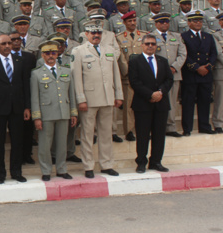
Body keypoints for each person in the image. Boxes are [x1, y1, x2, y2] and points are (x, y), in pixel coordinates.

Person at [71, 20, 124, 178]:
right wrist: (81, 99)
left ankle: (106, 164)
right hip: (89, 99)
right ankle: (88, 166)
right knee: (87, 135)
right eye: (92, 33)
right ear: (86, 34)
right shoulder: (78, 51)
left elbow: (116, 74)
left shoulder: (109, 50)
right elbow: (77, 78)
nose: (96, 35)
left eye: (99, 33)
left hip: (108, 98)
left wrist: (118, 95)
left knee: (106, 134)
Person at [0, 34, 31, 184]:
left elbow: (25, 86)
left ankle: (16, 172)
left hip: (17, 108)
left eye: (10, 43)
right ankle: (0, 174)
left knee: (17, 141)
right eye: (4, 43)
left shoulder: (20, 61)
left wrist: (27, 107)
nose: (8, 46)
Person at [31, 40, 77, 181]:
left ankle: (61, 169)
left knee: (62, 144)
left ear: (58, 54)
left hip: (63, 112)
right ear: (43, 56)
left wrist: (73, 112)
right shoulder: (36, 74)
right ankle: (46, 170)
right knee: (45, 144)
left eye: (53, 53)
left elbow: (71, 94)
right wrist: (37, 117)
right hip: (46, 114)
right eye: (47, 53)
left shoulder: (66, 71)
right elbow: (35, 97)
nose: (51, 56)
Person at [128, 34, 174, 173]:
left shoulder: (162, 61)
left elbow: (169, 80)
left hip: (161, 103)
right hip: (143, 103)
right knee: (142, 135)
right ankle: (141, 162)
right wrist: (150, 94)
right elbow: (134, 81)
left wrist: (160, 92)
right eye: (147, 43)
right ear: (142, 45)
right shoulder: (135, 61)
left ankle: (156, 161)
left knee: (159, 134)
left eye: (153, 44)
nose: (150, 46)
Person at [181, 10, 217, 135]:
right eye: (195, 21)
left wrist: (208, 66)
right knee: (188, 102)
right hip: (191, 74)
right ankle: (187, 128)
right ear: (189, 22)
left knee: (205, 101)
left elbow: (213, 53)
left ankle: (204, 126)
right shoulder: (183, 36)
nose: (198, 23)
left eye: (200, 21)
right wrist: (196, 67)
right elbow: (184, 54)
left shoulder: (208, 36)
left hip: (206, 73)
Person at [151, 12, 187, 137]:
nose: (164, 24)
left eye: (166, 22)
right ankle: (157, 128)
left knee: (172, 101)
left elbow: (182, 54)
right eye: (161, 22)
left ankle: (171, 127)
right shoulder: (150, 36)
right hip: (157, 76)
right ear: (156, 24)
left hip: (174, 74)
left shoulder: (176, 36)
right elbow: (150, 55)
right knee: (157, 101)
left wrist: (174, 67)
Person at [116, 11, 149, 142]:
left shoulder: (145, 36)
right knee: (129, 105)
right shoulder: (119, 37)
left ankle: (144, 129)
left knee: (144, 105)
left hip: (143, 77)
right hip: (128, 76)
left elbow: (147, 54)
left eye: (134, 20)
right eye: (129, 21)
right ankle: (129, 131)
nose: (132, 23)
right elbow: (121, 58)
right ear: (124, 23)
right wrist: (129, 72)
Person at [9, 30, 37, 165]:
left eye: (18, 39)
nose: (15, 42)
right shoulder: (5, 57)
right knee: (16, 131)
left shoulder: (30, 57)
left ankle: (27, 154)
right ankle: (18, 157)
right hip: (11, 99)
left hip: (27, 96)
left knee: (27, 129)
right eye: (12, 40)